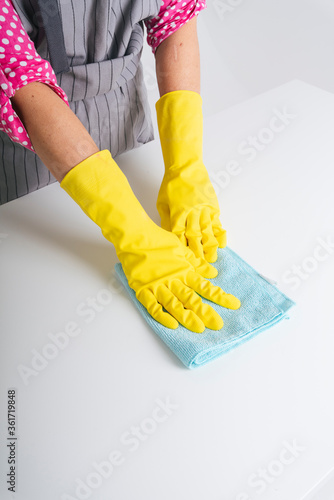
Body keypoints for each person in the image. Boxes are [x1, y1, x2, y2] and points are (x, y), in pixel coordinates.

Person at [0, 0, 241, 333]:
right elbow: (21, 77)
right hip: (32, 170)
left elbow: (175, 17)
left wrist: (186, 167)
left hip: (125, 127)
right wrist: (135, 234)